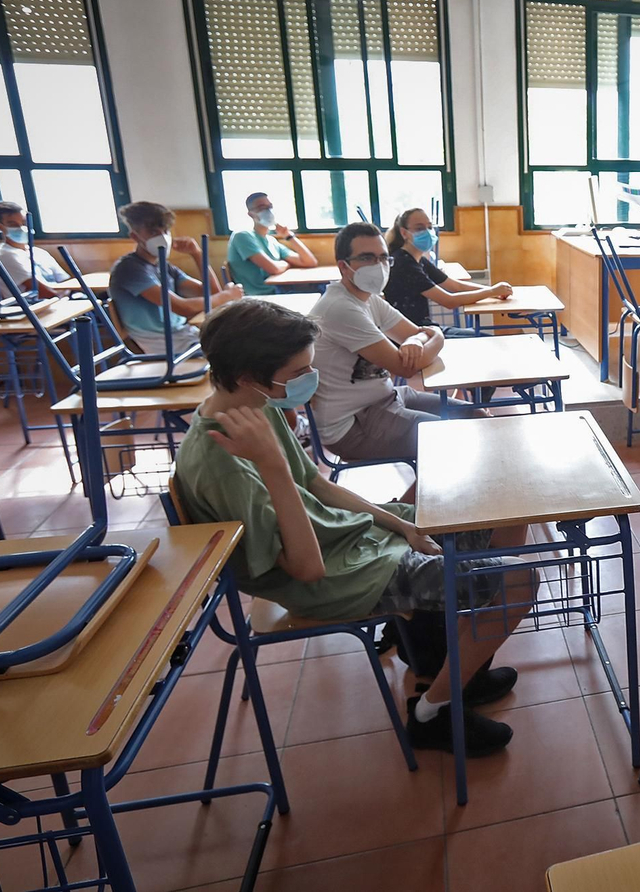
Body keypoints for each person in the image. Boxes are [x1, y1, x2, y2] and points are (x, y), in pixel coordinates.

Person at [173, 298, 531, 754]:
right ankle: (434, 712)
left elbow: (317, 487)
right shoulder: (227, 456)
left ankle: (458, 669)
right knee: (517, 578)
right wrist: (273, 467)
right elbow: (307, 569)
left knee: (501, 519)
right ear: (248, 377)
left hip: (350, 539)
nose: (311, 379)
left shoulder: (250, 409)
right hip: (334, 577)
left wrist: (396, 524)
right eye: (299, 371)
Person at [308, 221, 449, 495]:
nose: (379, 265)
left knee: (477, 416)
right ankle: (405, 523)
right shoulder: (340, 308)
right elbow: (405, 366)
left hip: (386, 399)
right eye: (366, 258)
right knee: (446, 441)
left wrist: (422, 338)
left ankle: (459, 518)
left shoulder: (368, 298)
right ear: (343, 266)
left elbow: (418, 333)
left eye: (383, 257)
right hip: (353, 423)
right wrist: (433, 337)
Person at [109, 201, 243, 355]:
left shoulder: (164, 266)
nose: (162, 237)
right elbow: (183, 308)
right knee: (234, 352)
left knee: (243, 340)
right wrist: (227, 296)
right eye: (153, 232)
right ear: (135, 236)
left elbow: (211, 293)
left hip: (182, 334)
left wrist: (197, 254)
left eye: (165, 231)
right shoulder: (130, 269)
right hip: (160, 342)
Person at [383, 207, 512, 337]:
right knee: (487, 342)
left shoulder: (417, 259)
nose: (427, 232)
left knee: (485, 338)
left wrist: (494, 292)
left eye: (429, 227)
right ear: (404, 233)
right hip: (411, 335)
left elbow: (456, 286)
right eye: (419, 228)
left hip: (425, 328)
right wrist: (492, 291)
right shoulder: (404, 263)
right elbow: (449, 301)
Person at [225, 192, 319, 296]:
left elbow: (310, 262)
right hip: (260, 296)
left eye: (270, 207)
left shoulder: (271, 241)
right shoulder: (242, 236)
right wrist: (287, 263)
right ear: (251, 214)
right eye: (262, 207)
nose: (268, 211)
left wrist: (289, 236)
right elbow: (273, 269)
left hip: (278, 290)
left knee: (321, 288)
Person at [0, 201, 68, 298]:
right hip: (38, 306)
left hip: (60, 300)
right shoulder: (5, 255)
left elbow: (66, 282)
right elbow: (44, 293)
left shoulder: (38, 252)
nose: (21, 228)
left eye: (24, 223)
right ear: (0, 227)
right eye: (12, 224)